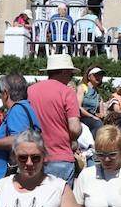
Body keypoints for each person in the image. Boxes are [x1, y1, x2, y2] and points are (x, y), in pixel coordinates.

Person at [27, 53, 82, 184]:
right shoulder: (67, 92)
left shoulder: (30, 90)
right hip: (60, 156)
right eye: (70, 73)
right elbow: (74, 129)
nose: (70, 77)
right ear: (64, 71)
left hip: (33, 157)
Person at [0, 74, 42, 186]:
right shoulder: (26, 108)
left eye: (0, 92)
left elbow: (18, 139)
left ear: (6, 93)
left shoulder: (17, 110)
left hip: (4, 178)